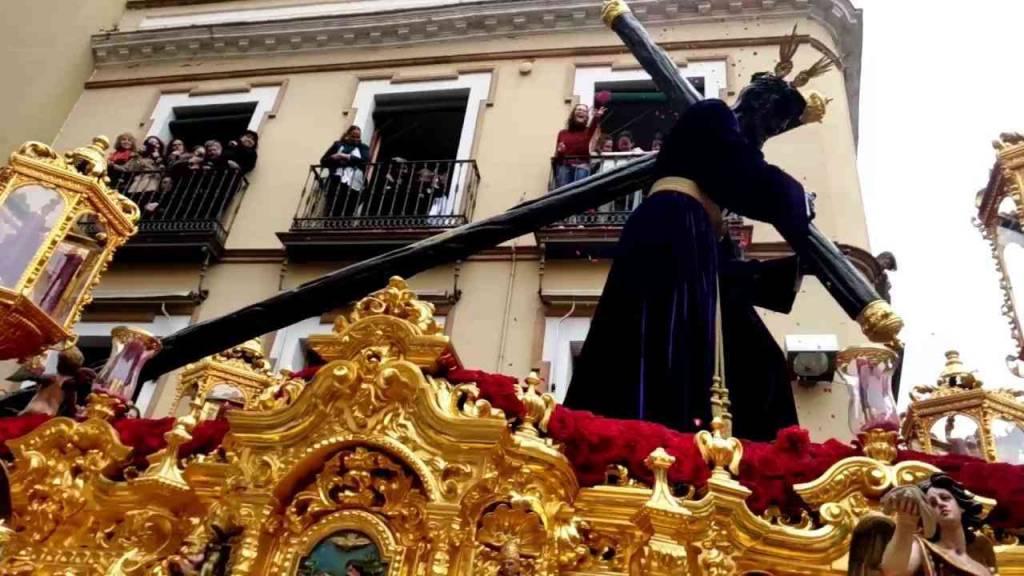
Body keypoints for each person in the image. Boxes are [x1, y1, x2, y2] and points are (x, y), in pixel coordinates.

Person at [564, 35, 834, 440]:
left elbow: (730, 276)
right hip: (669, 229)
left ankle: (755, 452)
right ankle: (650, 438)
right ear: (758, 106)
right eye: (773, 124)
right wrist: (797, 198)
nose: (770, 134)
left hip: (692, 242)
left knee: (759, 356)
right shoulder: (712, 115)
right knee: (659, 338)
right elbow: (746, 176)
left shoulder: (725, 181)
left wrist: (793, 268)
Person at [857, 473, 996, 575]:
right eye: (933, 504)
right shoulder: (922, 548)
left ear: (961, 506)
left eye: (945, 498)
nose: (940, 504)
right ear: (926, 515)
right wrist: (906, 524)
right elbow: (893, 572)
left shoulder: (981, 559)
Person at [319, 126, 372, 217]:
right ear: (347, 135)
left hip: (355, 182)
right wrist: (333, 157)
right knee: (335, 205)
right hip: (338, 179)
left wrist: (346, 156)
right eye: (353, 136)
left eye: (358, 137)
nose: (356, 139)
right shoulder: (338, 145)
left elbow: (365, 160)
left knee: (350, 206)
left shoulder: (363, 148)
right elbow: (323, 161)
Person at [553, 104, 606, 188]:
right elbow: (558, 157)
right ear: (573, 114)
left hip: (582, 167)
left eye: (584, 111)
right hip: (564, 168)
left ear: (586, 117)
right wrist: (560, 151)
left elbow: (593, 125)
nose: (581, 111)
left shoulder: (587, 132)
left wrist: (596, 117)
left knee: (578, 193)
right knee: (563, 194)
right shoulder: (562, 133)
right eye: (578, 109)